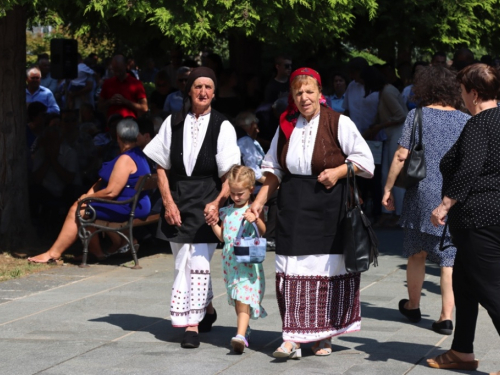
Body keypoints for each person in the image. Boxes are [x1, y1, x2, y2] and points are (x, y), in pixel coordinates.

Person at [249, 67, 374, 359]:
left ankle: (323, 335)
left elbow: (366, 162)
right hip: (293, 205)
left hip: (329, 207)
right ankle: (291, 337)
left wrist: (339, 171)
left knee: (325, 271)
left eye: (309, 91)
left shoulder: (338, 122)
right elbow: (273, 169)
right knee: (290, 270)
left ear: (320, 94)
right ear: (292, 97)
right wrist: (259, 202)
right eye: (298, 92)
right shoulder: (286, 126)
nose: (304, 97)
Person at [143, 67, 240, 349]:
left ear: (214, 92)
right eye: (198, 86)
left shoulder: (223, 125)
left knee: (197, 262)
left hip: (207, 198)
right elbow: (160, 166)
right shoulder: (172, 122)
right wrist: (168, 202)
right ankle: (207, 309)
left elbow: (230, 175)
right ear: (189, 90)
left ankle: (192, 324)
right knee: (181, 260)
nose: (203, 92)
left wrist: (217, 203)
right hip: (178, 197)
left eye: (208, 87)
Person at [382, 66, 470, 335]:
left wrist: (387, 189)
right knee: (449, 258)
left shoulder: (416, 115)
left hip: (421, 193)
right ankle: (445, 317)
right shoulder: (465, 119)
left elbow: (400, 155)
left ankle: (413, 304)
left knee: (416, 253)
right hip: (451, 195)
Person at [427, 63, 500, 372]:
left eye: (461, 91)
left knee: (491, 290)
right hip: (489, 216)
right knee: (465, 284)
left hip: (477, 219)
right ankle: (461, 351)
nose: (460, 96)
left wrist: (444, 205)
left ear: (473, 93)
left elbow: (469, 168)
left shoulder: (480, 123)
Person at [27, 118, 152, 263]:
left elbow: (111, 192)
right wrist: (89, 195)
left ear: (117, 136)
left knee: (79, 209)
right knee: (86, 207)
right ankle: (97, 251)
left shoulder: (125, 159)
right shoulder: (137, 154)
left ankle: (53, 253)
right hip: (137, 204)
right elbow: (103, 182)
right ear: (136, 135)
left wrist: (87, 199)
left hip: (128, 206)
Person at [210, 165, 267, 354]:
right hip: (231, 264)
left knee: (243, 297)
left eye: (240, 193)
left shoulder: (253, 209)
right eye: (233, 193)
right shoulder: (226, 212)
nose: (236, 197)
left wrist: (255, 219)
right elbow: (223, 237)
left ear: (251, 190)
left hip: (247, 265)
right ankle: (245, 330)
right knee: (237, 299)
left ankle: (240, 335)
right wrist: (213, 225)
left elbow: (263, 231)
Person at [364, 66, 408, 225]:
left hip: (396, 133)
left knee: (393, 174)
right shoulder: (386, 91)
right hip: (392, 134)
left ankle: (397, 213)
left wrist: (379, 126)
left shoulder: (388, 92)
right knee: (387, 174)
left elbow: (401, 115)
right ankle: (391, 212)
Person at [98, 55, 148, 119]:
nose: (117, 73)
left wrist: (125, 102)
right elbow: (99, 107)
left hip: (130, 124)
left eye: (119, 70)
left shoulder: (136, 83)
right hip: (112, 124)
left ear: (125, 66)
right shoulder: (108, 83)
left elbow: (144, 108)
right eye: (115, 70)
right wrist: (110, 101)